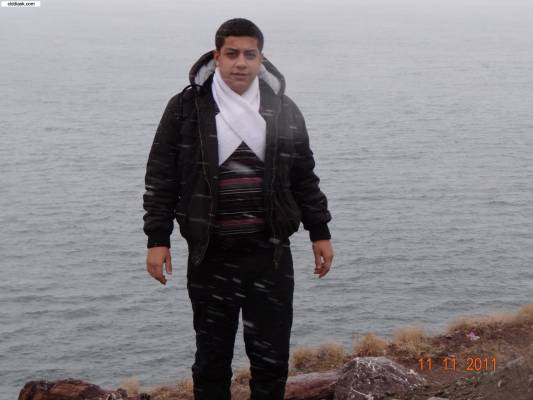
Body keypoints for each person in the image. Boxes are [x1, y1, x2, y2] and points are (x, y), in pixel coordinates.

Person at [143, 18, 334, 400]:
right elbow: (162, 176)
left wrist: (320, 231)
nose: (241, 63)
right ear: (217, 57)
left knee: (271, 359)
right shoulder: (186, 109)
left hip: (270, 255)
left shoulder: (282, 109)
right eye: (232, 54)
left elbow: (303, 175)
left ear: (261, 58)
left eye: (249, 54)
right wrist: (157, 238)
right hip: (210, 255)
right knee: (212, 360)